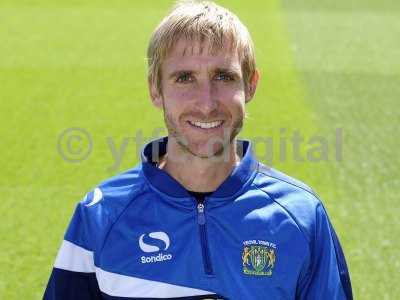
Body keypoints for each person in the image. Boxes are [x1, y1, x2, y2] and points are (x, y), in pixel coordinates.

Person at [44, 1, 353, 299]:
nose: (206, 103)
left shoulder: (301, 216)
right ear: (155, 88)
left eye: (223, 76)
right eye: (184, 78)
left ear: (251, 85)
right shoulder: (100, 216)